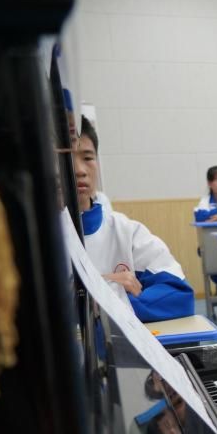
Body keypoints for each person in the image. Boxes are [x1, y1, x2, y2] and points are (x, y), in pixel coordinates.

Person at [76, 118, 194, 322]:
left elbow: (179, 296)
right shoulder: (30, 239)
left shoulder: (126, 232)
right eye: (65, 158)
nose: (80, 170)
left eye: (88, 157)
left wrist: (96, 307)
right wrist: (105, 285)